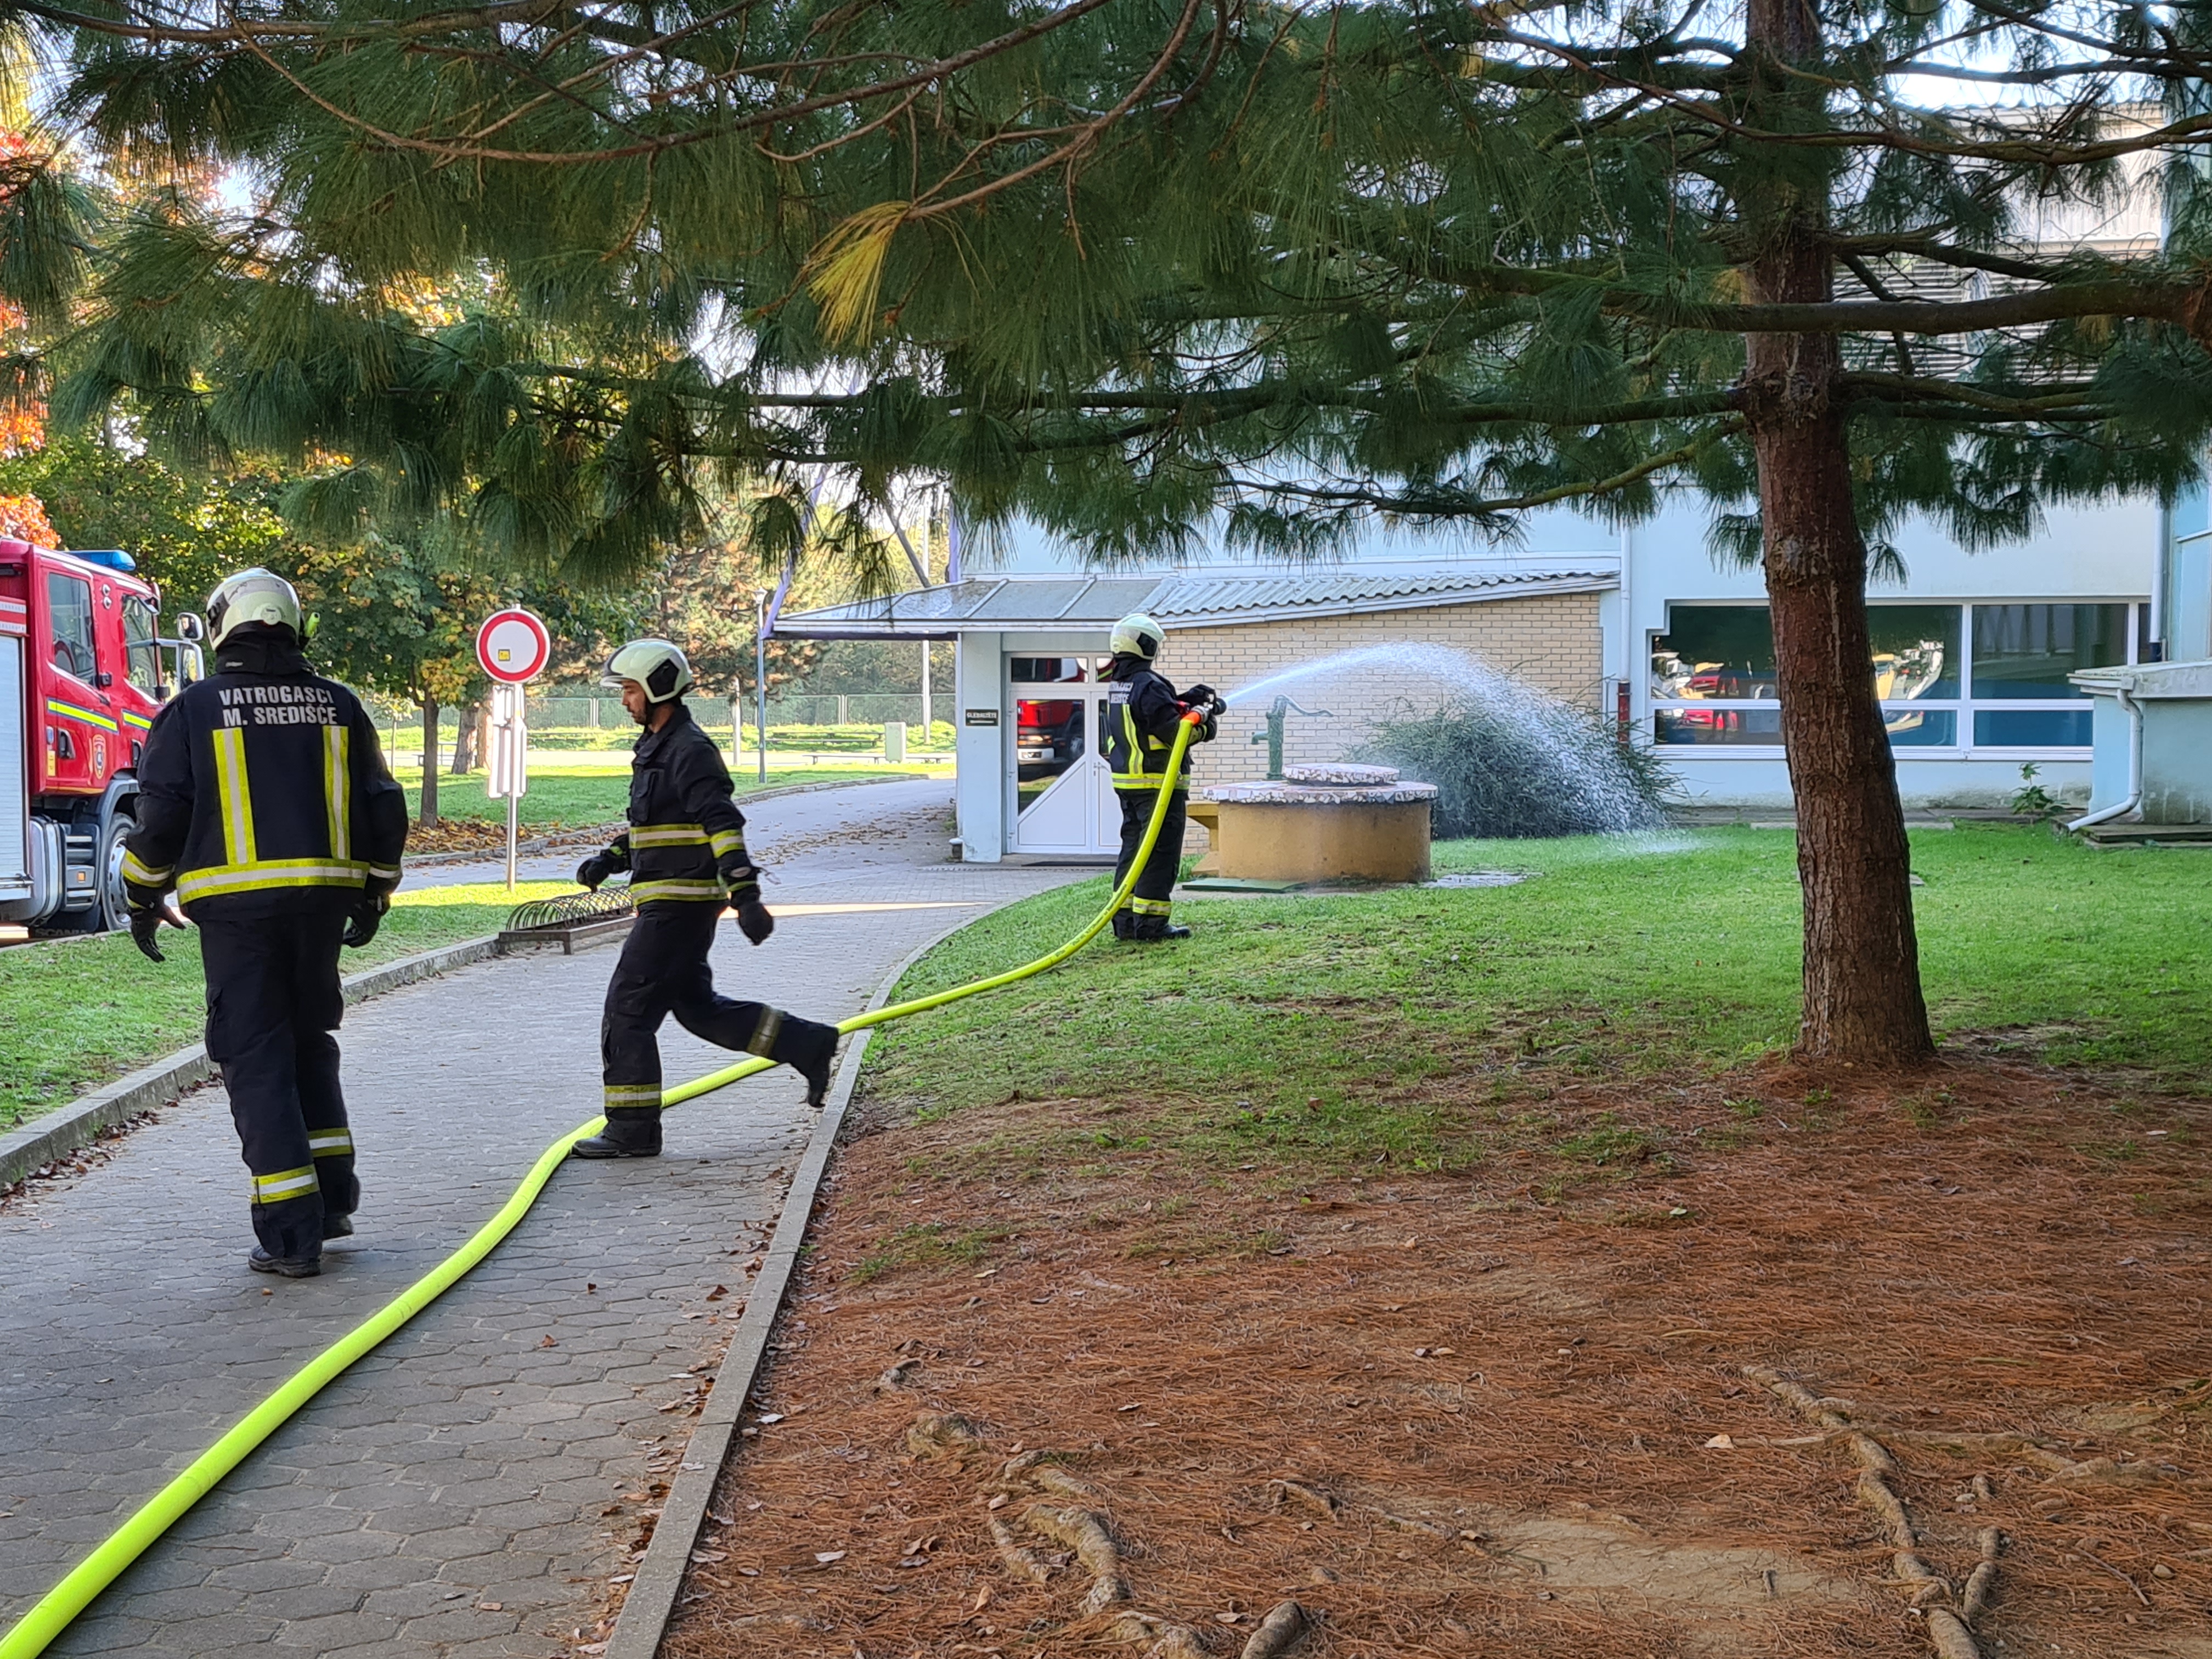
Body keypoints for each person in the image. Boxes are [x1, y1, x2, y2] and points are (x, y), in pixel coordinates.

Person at [121, 568, 407, 1278]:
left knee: (256, 1061)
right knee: (311, 1047)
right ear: (293, 623)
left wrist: (139, 895)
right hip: (322, 910)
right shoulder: (340, 706)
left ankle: (290, 1236)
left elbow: (161, 817)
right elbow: (383, 806)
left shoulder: (192, 711)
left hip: (240, 922)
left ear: (223, 625)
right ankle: (333, 1200)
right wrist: (374, 894)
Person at [572, 639, 840, 1158]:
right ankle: (807, 1043)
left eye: (629, 691)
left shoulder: (689, 749)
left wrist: (747, 894)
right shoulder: (658, 746)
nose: (624, 701)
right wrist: (610, 857)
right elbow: (661, 825)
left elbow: (720, 822)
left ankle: (633, 1130)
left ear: (657, 688)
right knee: (698, 1010)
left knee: (627, 1011)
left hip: (679, 907)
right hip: (669, 903)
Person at [1101, 613, 1221, 941]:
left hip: (1130, 784)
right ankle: (1152, 925)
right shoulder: (1150, 685)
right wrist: (1206, 726)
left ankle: (1125, 922)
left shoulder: (1120, 684)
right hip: (1158, 785)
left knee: (1134, 851)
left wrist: (1186, 698)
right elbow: (1174, 732)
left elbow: (1151, 714)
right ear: (1147, 645)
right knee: (1161, 853)